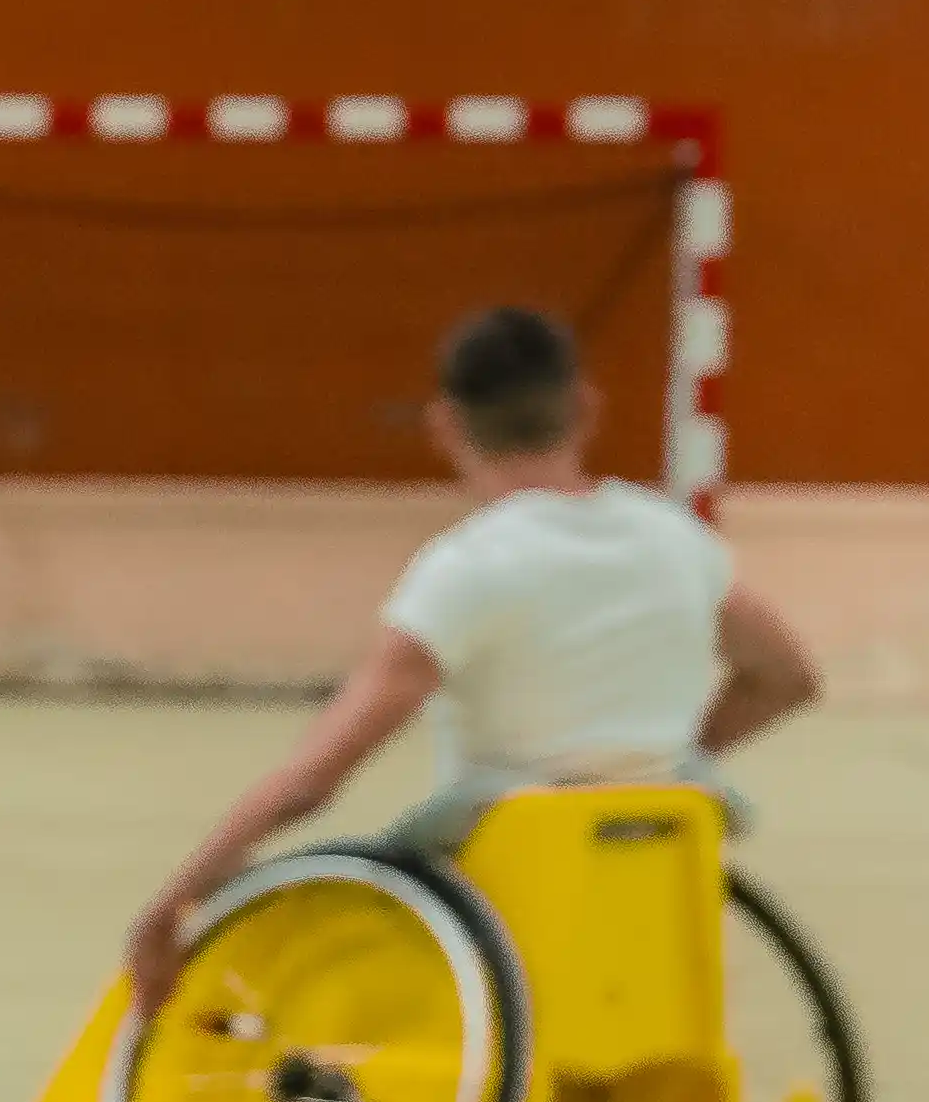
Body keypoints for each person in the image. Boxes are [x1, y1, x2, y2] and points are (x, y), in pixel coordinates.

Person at [120, 302, 823, 1002]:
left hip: (508, 886)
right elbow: (788, 677)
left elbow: (313, 780)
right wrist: (657, 759)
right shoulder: (677, 541)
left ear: (444, 425)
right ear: (586, 407)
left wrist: (176, 899)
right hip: (651, 872)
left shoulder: (467, 570)